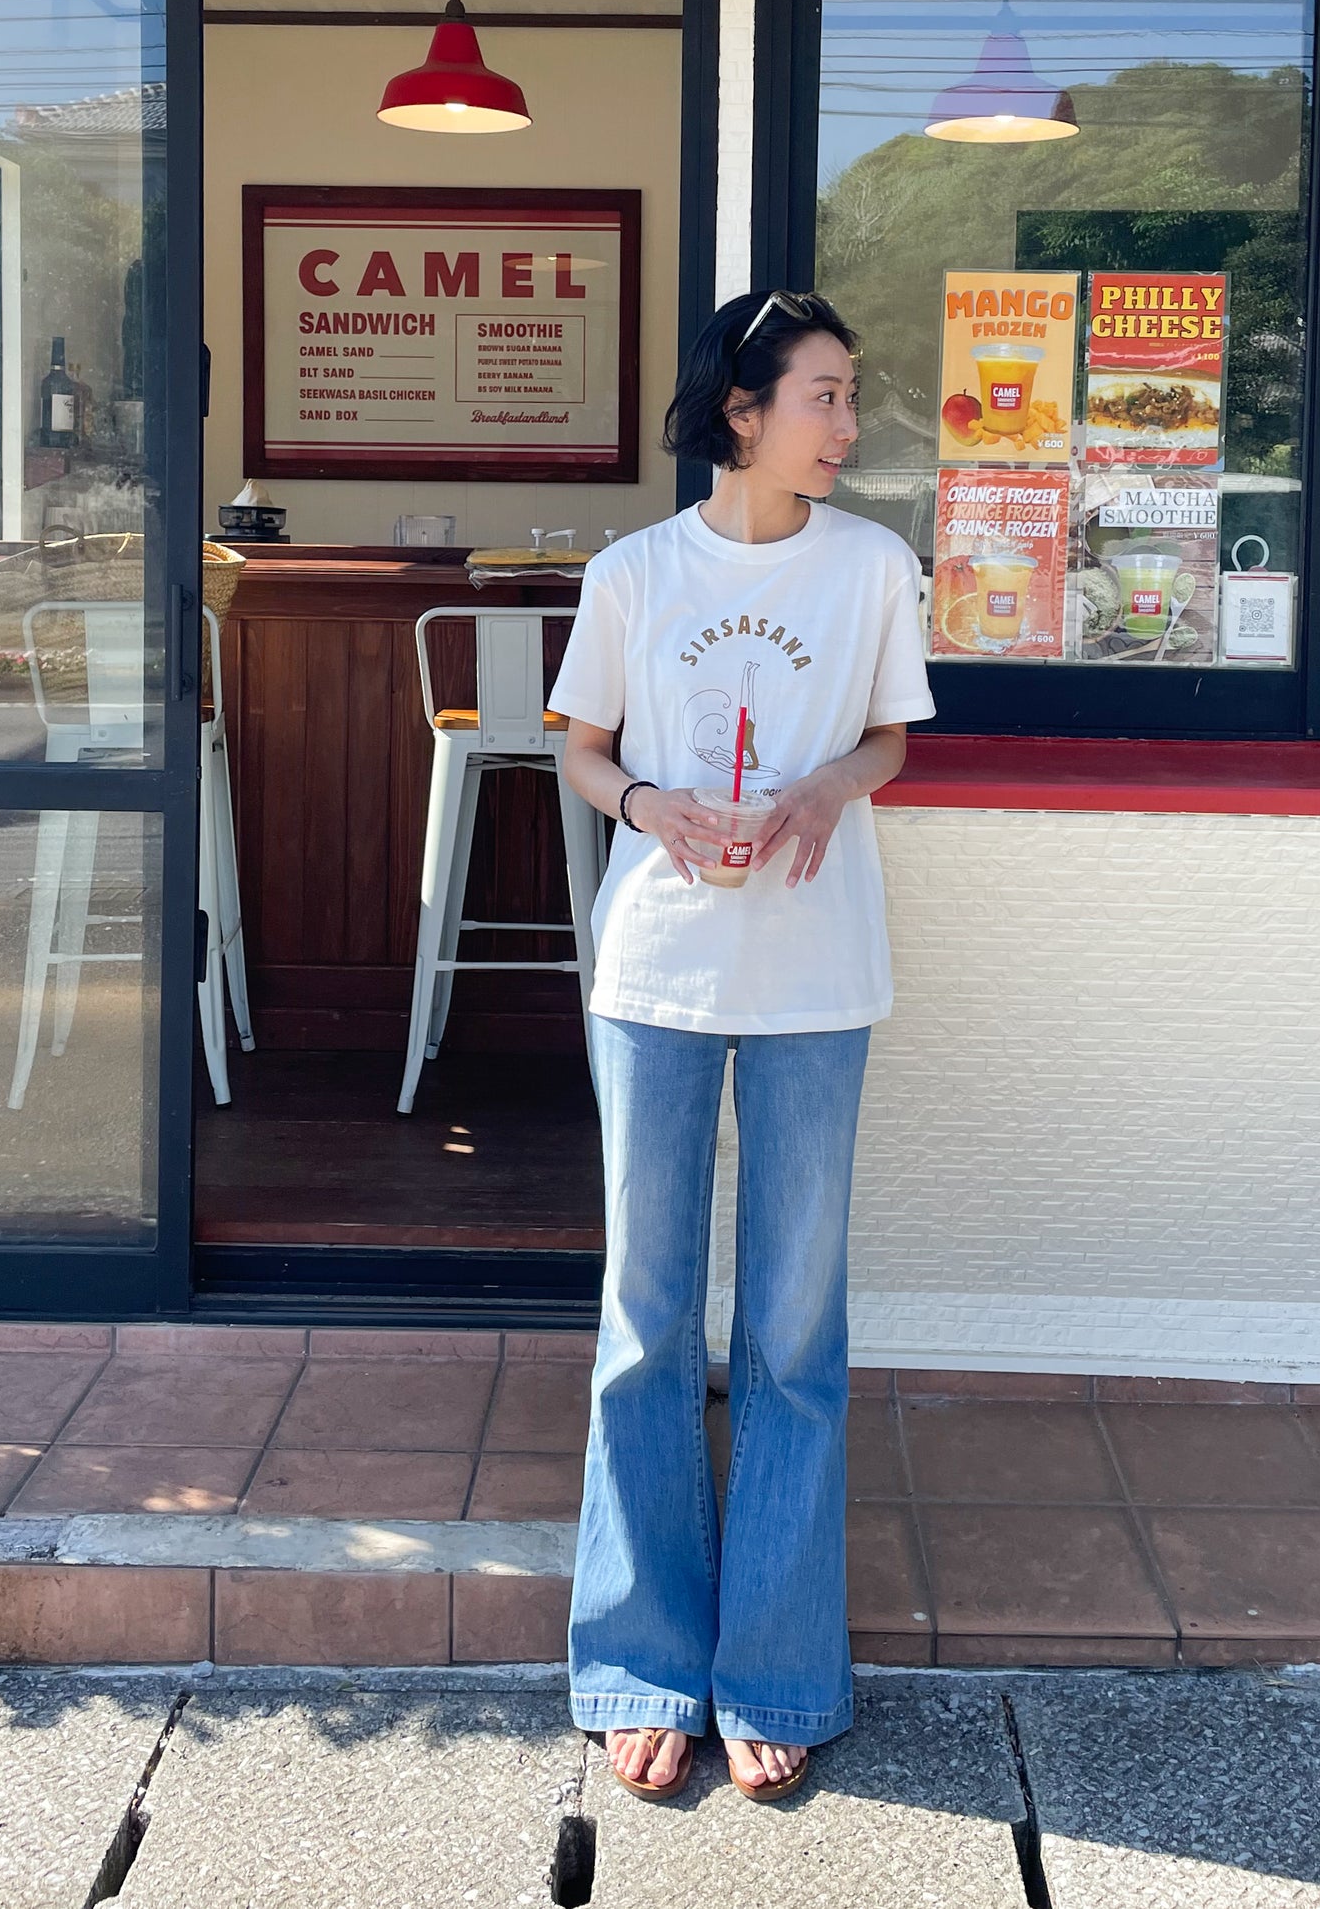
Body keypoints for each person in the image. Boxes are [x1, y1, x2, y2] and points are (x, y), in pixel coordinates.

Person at [551, 286, 935, 1804]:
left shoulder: (874, 568)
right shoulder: (636, 572)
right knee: (646, 1323)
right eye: (823, 396)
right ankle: (640, 1659)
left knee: (792, 1331)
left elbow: (890, 735)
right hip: (654, 973)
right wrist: (655, 807)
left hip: (818, 975)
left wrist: (827, 787)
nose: (847, 423)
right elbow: (581, 752)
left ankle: (776, 1665)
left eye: (848, 395)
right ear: (742, 410)